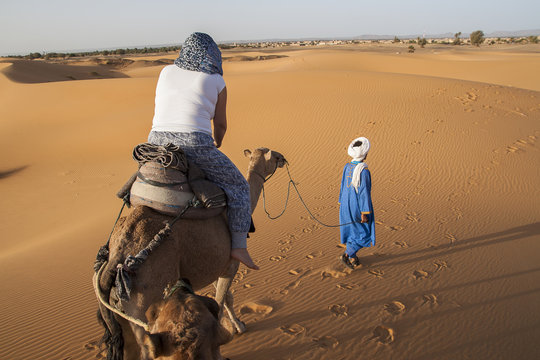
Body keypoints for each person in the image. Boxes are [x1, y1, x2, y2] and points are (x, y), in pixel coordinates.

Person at [147, 32, 259, 270]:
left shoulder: (165, 71)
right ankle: (239, 246)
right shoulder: (216, 80)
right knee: (239, 187)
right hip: (194, 142)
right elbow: (220, 124)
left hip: (155, 141)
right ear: (213, 54)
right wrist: (217, 142)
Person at [338, 137, 375, 269]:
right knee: (364, 234)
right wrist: (364, 212)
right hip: (357, 207)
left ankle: (353, 258)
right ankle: (347, 254)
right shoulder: (364, 171)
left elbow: (342, 186)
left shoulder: (347, 167)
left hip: (345, 205)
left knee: (352, 231)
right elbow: (364, 193)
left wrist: (341, 203)